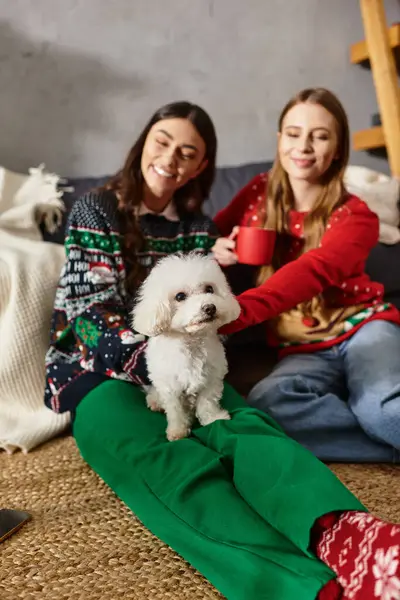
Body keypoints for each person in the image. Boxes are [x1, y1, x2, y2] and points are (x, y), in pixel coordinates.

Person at [45, 100, 400, 600]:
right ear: (144, 141)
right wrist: (151, 351)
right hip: (97, 370)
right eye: (163, 142)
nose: (172, 158)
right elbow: (86, 314)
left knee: (248, 428)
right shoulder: (96, 208)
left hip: (193, 354)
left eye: (188, 151)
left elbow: (217, 297)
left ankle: (347, 536)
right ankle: (296, 586)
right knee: (166, 457)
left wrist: (218, 286)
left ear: (201, 165)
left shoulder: (195, 227)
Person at [212, 87, 400, 465]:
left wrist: (239, 311)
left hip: (363, 326)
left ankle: (379, 421)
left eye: (320, 135)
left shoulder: (356, 215)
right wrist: (217, 249)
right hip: (301, 346)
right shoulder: (256, 195)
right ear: (279, 138)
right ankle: (386, 444)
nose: (304, 146)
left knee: (382, 408)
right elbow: (204, 237)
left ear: (337, 149)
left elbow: (315, 270)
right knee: (268, 405)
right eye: (294, 133)